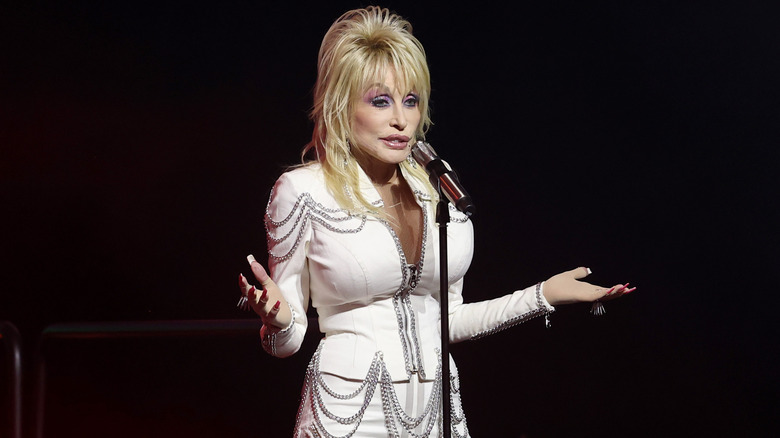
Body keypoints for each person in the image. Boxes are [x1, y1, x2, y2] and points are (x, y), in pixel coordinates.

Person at [238, 6, 635, 437]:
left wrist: (543, 295)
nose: (401, 119)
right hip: (347, 414)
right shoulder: (303, 191)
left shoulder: (434, 186)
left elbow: (448, 320)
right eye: (380, 101)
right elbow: (287, 340)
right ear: (341, 105)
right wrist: (276, 321)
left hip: (439, 411)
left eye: (411, 101)